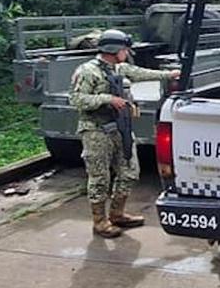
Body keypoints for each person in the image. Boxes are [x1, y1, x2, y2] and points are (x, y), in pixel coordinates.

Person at [68, 29, 181, 238]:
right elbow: (76, 100)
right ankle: (99, 221)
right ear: (114, 49)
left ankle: (117, 213)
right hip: (96, 130)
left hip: (121, 127)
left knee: (130, 171)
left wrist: (169, 75)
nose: (127, 52)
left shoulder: (119, 67)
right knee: (99, 177)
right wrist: (107, 99)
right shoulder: (88, 71)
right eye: (124, 49)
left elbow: (140, 73)